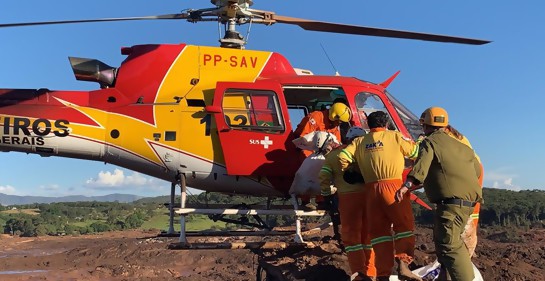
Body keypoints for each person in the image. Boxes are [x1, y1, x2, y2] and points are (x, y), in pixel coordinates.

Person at [397, 107, 482, 281]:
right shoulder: (462, 146)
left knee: (449, 245)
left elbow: (421, 168)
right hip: (468, 203)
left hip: (451, 204)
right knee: (444, 244)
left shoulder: (430, 142)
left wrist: (406, 186)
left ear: (425, 125)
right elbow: (477, 169)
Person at [339, 111, 421, 281]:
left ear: (369, 126)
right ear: (386, 124)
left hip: (371, 191)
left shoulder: (360, 141)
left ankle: (383, 274)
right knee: (403, 227)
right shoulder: (395, 136)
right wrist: (419, 141)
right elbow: (414, 153)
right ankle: (403, 264)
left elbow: (343, 157)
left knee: (379, 233)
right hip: (393, 187)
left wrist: (354, 170)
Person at [419, 108, 484, 257]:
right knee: (462, 213)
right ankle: (460, 247)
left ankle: (461, 249)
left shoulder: (436, 139)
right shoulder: (453, 135)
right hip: (470, 173)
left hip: (465, 175)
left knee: (461, 214)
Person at [318, 126, 376, 281]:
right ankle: (371, 273)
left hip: (348, 199)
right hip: (370, 198)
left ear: (347, 139)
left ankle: (358, 274)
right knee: (369, 237)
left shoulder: (334, 156)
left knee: (352, 238)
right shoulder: (369, 154)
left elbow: (323, 177)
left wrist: (326, 196)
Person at [294, 101, 352, 209]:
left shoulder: (334, 125)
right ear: (334, 116)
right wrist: (312, 156)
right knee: (308, 169)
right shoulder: (315, 117)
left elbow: (336, 142)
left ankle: (321, 200)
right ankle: (305, 200)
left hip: (322, 153)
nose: (338, 124)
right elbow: (303, 139)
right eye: (338, 121)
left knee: (326, 170)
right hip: (305, 149)